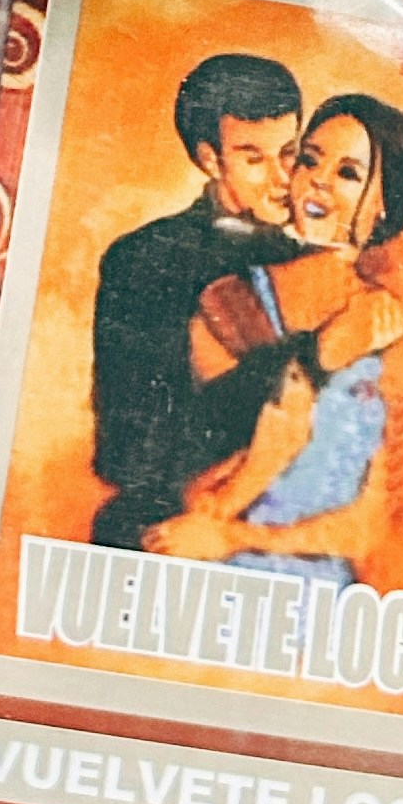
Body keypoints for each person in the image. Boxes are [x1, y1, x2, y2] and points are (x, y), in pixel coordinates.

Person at [144, 94, 403, 590]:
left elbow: (370, 524)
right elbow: (197, 488)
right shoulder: (228, 301)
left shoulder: (397, 332)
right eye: (310, 160)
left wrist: (235, 537)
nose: (318, 180)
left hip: (318, 603)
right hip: (209, 582)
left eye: (348, 173)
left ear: (384, 202)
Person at [89, 53, 304, 549]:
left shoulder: (306, 259)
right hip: (165, 534)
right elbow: (129, 450)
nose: (279, 178)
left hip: (278, 532)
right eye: (254, 157)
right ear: (210, 158)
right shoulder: (142, 259)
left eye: (289, 153)